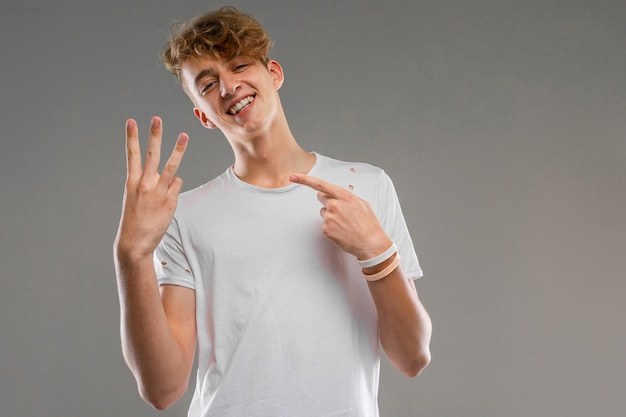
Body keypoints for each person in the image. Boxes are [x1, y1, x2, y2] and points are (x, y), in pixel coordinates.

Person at [114, 6, 432, 417]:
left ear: (274, 74)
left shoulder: (365, 187)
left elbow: (413, 358)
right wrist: (132, 257)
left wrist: (377, 252)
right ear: (202, 115)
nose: (229, 87)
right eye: (208, 84)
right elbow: (162, 388)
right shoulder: (185, 215)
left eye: (240, 65)